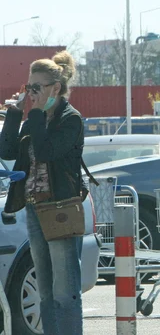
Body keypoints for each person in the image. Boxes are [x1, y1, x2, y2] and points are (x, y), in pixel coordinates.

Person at [0, 51, 86, 335]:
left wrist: (35, 113)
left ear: (56, 89)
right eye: (28, 87)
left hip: (61, 210)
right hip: (35, 209)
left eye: (36, 88)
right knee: (45, 291)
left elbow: (48, 151)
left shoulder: (70, 120)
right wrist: (15, 114)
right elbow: (8, 151)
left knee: (65, 292)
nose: (31, 94)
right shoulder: (33, 120)